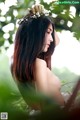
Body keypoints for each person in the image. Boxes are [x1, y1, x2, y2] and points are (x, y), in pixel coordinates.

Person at [11, 4, 64, 110]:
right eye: (48, 33)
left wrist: (42, 16)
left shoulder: (17, 63)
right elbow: (45, 105)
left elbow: (56, 42)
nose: (52, 39)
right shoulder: (39, 63)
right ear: (36, 34)